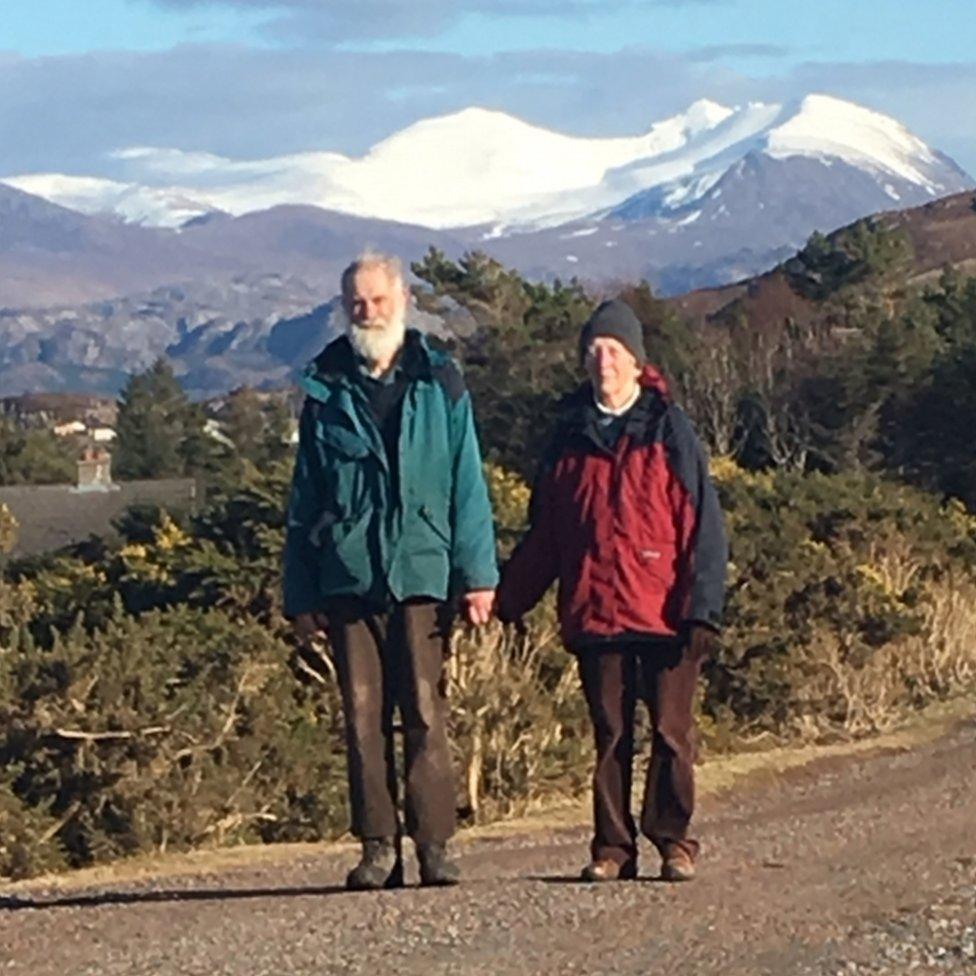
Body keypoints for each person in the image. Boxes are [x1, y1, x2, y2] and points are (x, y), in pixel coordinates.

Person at [283, 251, 497, 890]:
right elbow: (305, 499)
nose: (367, 312)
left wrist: (478, 575)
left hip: (423, 574)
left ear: (402, 300)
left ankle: (434, 844)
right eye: (356, 302)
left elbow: (468, 484)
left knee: (427, 714)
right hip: (349, 580)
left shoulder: (441, 381)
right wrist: (300, 594)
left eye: (377, 300)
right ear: (344, 306)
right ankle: (378, 847)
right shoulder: (324, 389)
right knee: (361, 716)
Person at [496, 299, 727, 883]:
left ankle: (674, 841)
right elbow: (546, 534)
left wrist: (703, 608)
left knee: (672, 735)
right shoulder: (568, 437)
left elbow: (704, 523)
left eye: (614, 350)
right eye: (594, 350)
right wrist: (503, 600)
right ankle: (613, 849)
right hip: (596, 610)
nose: (604, 361)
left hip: (667, 611)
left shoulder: (669, 429)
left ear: (635, 360)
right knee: (610, 737)